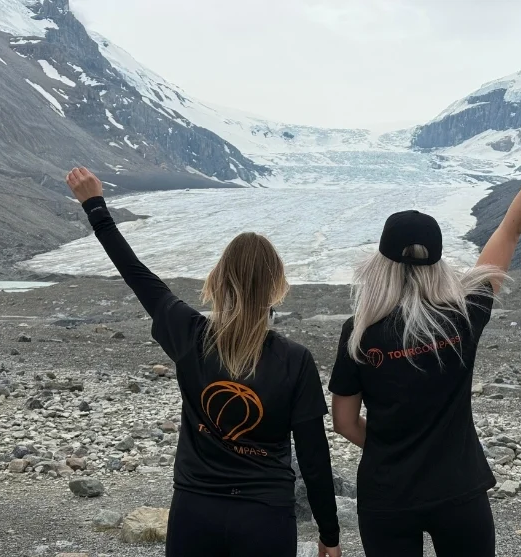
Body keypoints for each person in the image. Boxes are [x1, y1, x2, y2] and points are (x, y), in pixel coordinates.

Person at [328, 101, 521, 557]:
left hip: (386, 494)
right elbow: (510, 231)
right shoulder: (463, 313)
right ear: (439, 263)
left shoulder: (358, 332)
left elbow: (343, 421)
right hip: (458, 489)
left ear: (380, 263)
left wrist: (390, 448)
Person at [64, 168, 342, 557]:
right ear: (277, 286)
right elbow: (313, 458)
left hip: (195, 511)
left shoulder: (190, 335)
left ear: (219, 279)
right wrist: (329, 534)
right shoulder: (295, 360)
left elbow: (136, 275)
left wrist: (95, 206)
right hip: (265, 517)